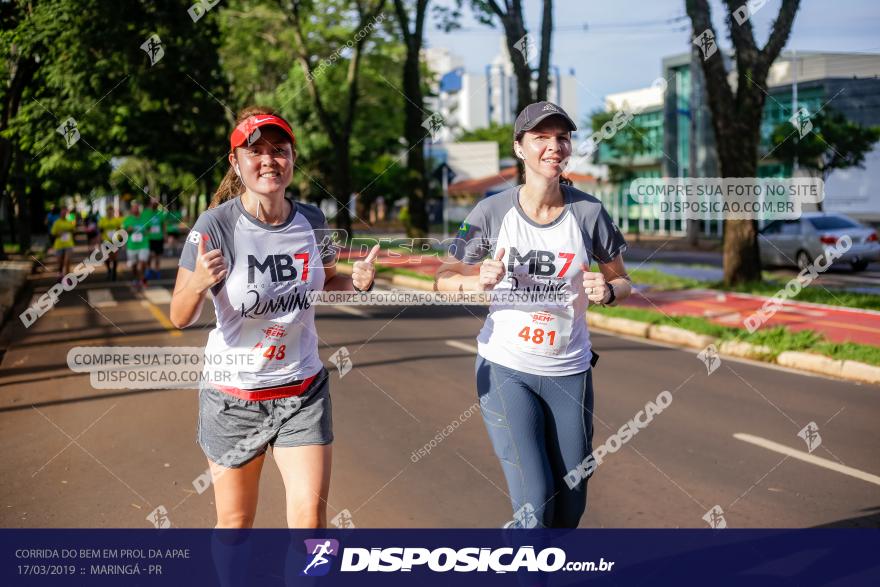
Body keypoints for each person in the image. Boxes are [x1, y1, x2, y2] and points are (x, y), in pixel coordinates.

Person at [169, 106, 379, 531]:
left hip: (302, 393)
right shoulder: (215, 226)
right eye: (255, 151)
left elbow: (325, 284)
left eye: (279, 150)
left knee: (310, 521)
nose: (269, 160)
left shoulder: (313, 221)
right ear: (236, 162)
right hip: (234, 400)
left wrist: (356, 284)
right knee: (236, 525)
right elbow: (179, 314)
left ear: (293, 157)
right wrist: (196, 285)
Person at [435, 101, 633, 528]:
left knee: (570, 503)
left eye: (561, 137)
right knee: (537, 501)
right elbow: (443, 276)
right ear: (519, 148)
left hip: (570, 369)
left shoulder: (589, 212)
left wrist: (609, 291)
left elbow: (623, 280)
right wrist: (475, 281)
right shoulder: (488, 212)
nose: (553, 146)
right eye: (540, 137)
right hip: (507, 367)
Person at [122, 202, 150, 287]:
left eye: (137, 208)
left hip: (143, 245)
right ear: (131, 210)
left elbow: (149, 228)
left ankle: (142, 278)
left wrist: (146, 231)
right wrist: (128, 230)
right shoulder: (128, 219)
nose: (135, 209)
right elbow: (124, 231)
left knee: (143, 262)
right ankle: (135, 278)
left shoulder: (144, 218)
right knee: (134, 265)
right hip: (132, 246)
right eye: (134, 208)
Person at [49, 205, 76, 281]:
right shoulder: (57, 222)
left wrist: (72, 222)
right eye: (62, 213)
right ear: (60, 214)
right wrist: (58, 234)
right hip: (59, 245)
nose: (64, 214)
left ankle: (67, 278)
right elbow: (53, 233)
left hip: (68, 244)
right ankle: (60, 273)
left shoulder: (70, 221)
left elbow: (74, 230)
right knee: (60, 262)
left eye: (65, 213)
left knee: (67, 261)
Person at [98, 206, 123, 281]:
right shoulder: (102, 220)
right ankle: (109, 270)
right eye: (108, 210)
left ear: (113, 211)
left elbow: (120, 230)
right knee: (106, 257)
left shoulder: (116, 220)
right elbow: (100, 230)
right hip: (106, 241)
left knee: (114, 257)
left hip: (115, 241)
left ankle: (114, 272)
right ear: (106, 211)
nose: (110, 212)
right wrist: (100, 240)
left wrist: (121, 240)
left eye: (111, 210)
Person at [143, 199, 165, 280]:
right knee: (149, 255)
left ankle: (157, 271)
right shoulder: (146, 213)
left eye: (156, 203)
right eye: (153, 203)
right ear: (150, 204)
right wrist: (146, 231)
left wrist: (165, 235)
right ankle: (148, 270)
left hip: (159, 238)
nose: (154, 205)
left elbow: (163, 224)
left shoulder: (160, 213)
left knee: (158, 256)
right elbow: (144, 225)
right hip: (149, 238)